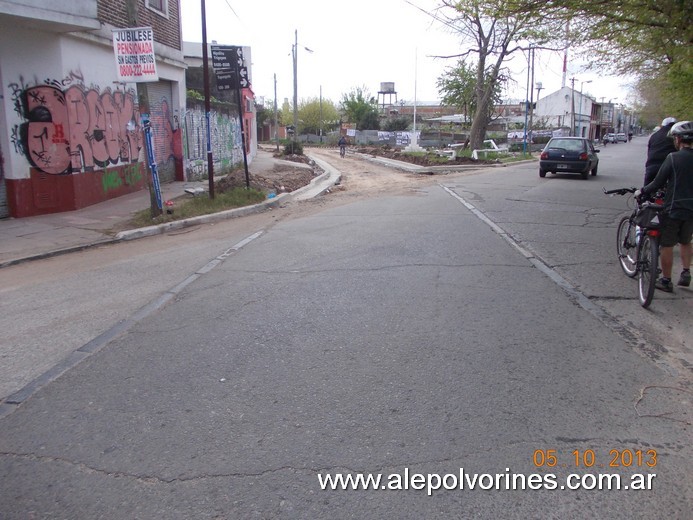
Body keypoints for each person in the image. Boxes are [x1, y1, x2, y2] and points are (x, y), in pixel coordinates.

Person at [636, 120, 693, 291]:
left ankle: (666, 281)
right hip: (692, 210)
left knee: (667, 244)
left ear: (677, 139)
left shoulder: (673, 158)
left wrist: (642, 191)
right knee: (685, 241)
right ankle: (685, 272)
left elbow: (658, 182)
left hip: (674, 208)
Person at [644, 117, 677, 184]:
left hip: (652, 167)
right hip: (669, 167)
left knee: (646, 190)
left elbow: (649, 151)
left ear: (662, 125)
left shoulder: (654, 135)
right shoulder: (676, 136)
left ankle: (646, 194)